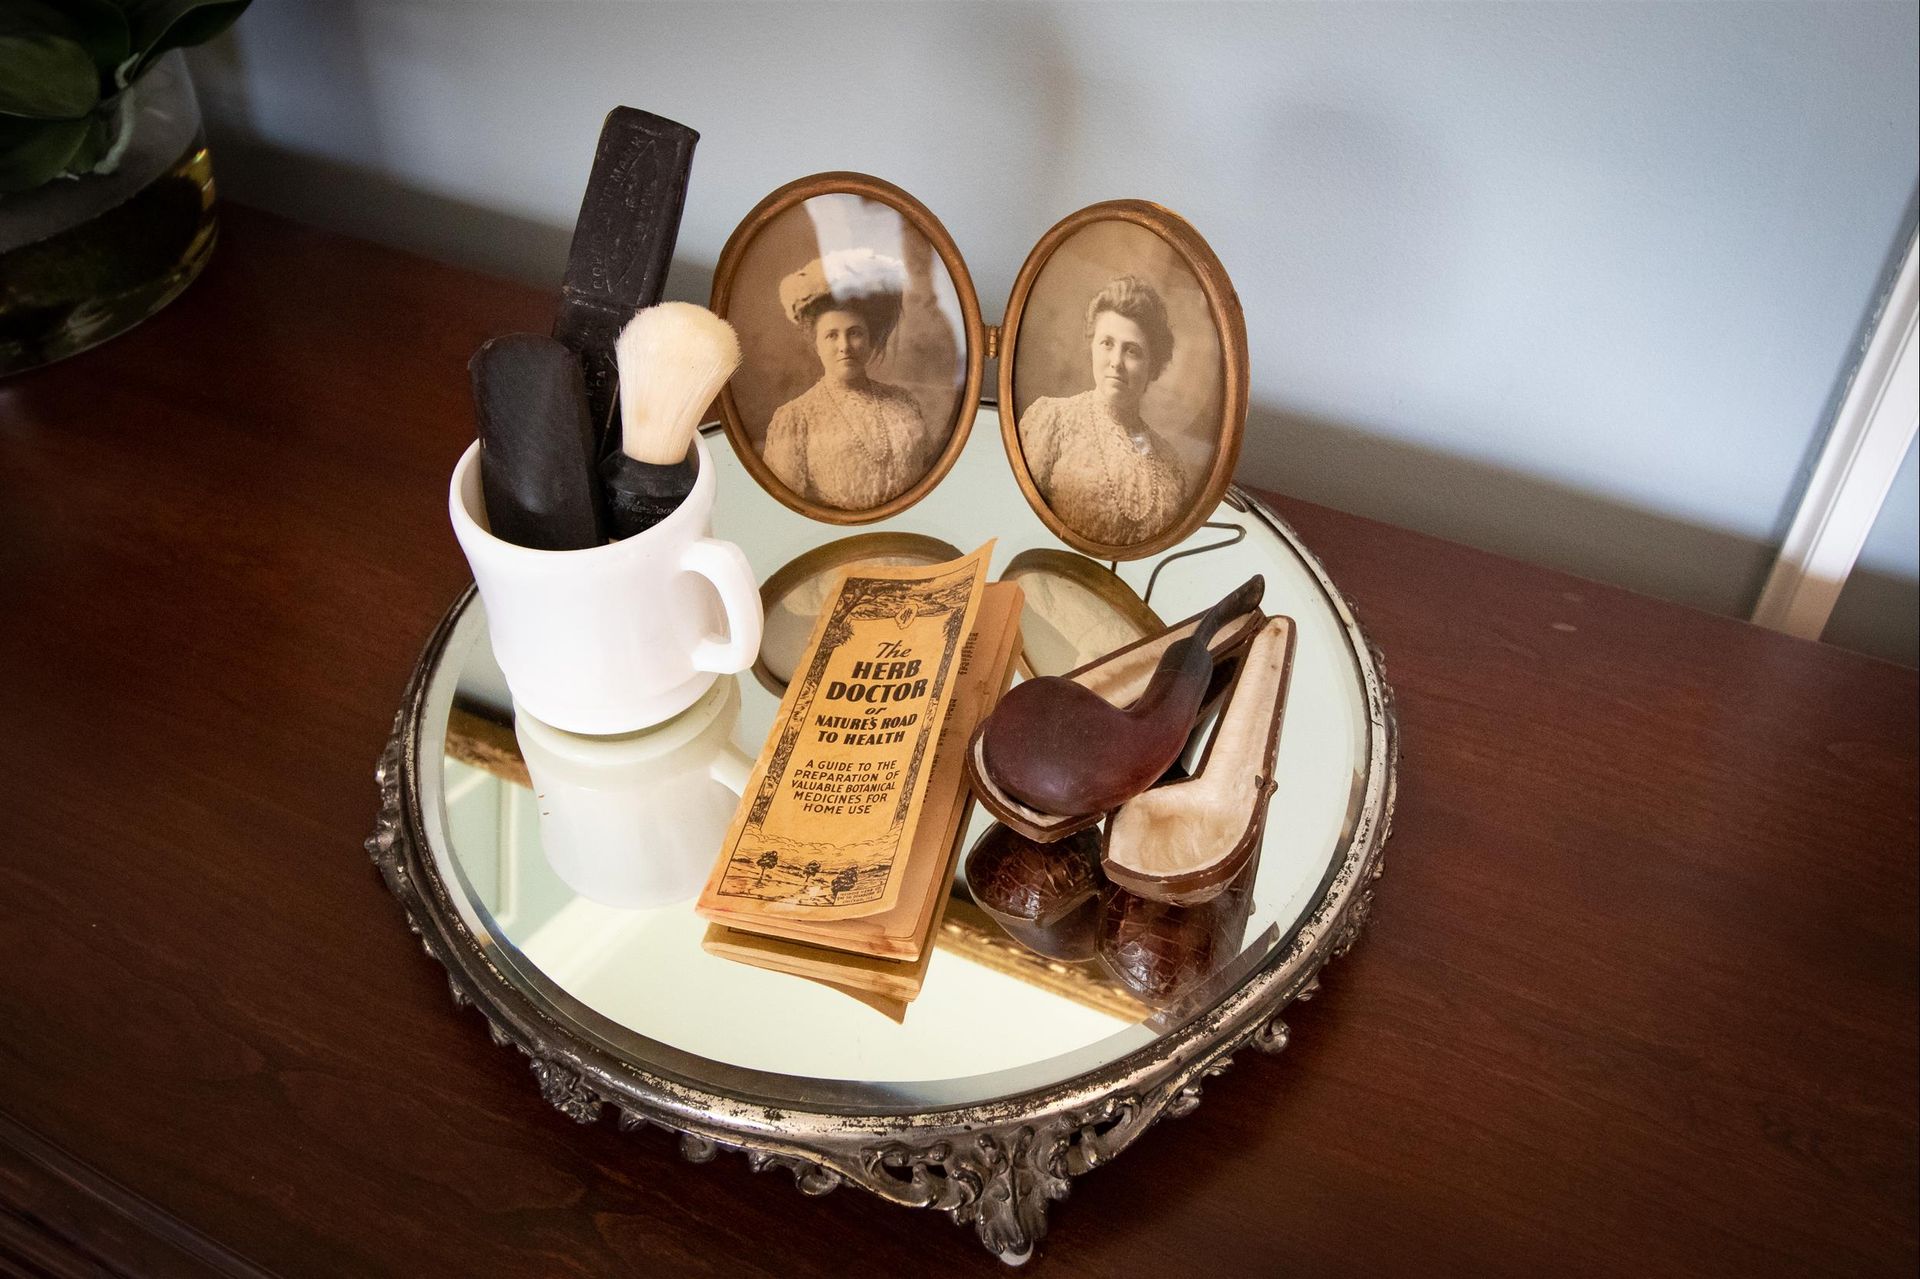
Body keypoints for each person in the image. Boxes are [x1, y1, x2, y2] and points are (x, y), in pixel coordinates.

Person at [1017, 275, 1189, 546]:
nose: (1116, 362)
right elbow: (1017, 517)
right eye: (1107, 344)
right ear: (1092, 347)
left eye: (1132, 351)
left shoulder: (1171, 463)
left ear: (1152, 365)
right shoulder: (1053, 419)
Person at [764, 249, 936, 510]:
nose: (844, 346)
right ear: (817, 345)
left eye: (855, 333)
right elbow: (782, 509)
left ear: (869, 340)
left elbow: (929, 481)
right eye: (831, 335)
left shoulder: (904, 404)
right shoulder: (795, 419)